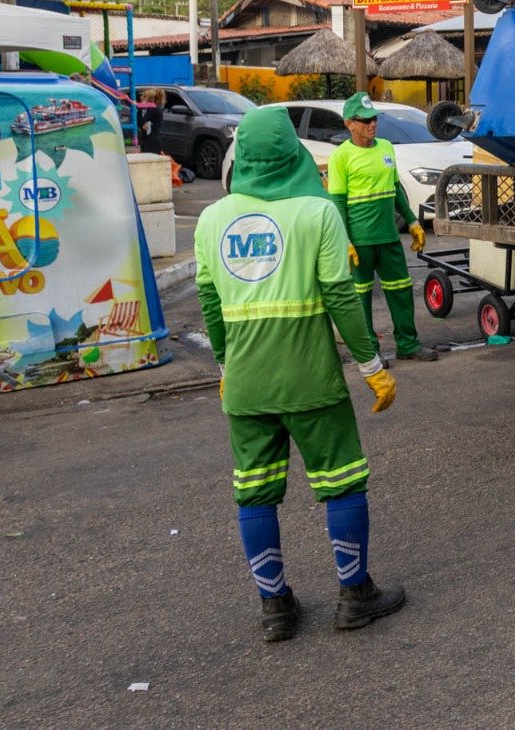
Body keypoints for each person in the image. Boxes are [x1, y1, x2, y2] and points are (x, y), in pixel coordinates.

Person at [195, 106, 406, 642]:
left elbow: (210, 304)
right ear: (293, 153)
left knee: (256, 493)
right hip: (311, 379)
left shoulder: (211, 220)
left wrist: (225, 366)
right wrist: (371, 366)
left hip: (246, 384)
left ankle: (275, 609)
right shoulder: (317, 214)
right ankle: (355, 595)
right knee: (341, 483)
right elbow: (340, 296)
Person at [326, 92, 437, 363]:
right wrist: (346, 240)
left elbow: (395, 188)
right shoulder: (340, 157)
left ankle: (408, 344)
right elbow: (337, 203)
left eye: (373, 118)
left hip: (388, 237)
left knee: (400, 290)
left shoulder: (386, 147)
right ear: (349, 124)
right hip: (360, 242)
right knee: (361, 299)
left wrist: (412, 221)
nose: (371, 124)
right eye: (364, 120)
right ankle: (370, 353)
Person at [137, 88, 165, 155]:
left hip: (152, 144)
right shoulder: (147, 109)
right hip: (146, 141)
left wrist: (140, 108)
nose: (141, 98)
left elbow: (143, 121)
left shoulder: (154, 109)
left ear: (152, 99)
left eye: (144, 97)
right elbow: (139, 123)